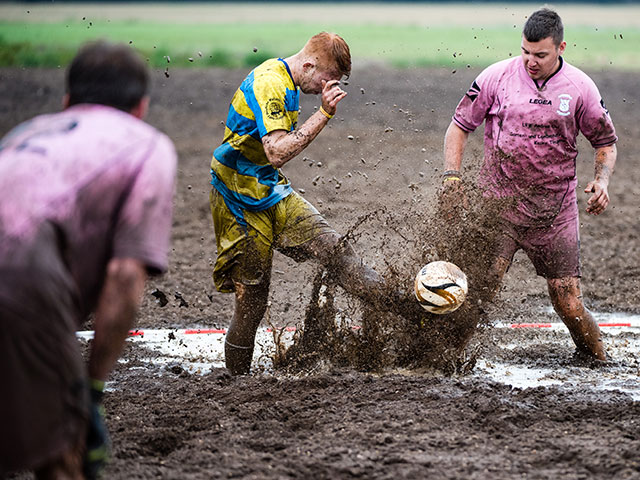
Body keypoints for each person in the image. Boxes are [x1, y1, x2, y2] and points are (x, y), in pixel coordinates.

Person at [0, 41, 177, 478]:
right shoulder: (146, 145)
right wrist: (91, 391)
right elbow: (123, 276)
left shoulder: (25, 132)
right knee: (65, 453)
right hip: (20, 282)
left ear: (66, 101)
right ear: (140, 106)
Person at [210, 32, 422, 375]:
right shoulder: (270, 84)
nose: (331, 87)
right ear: (308, 65)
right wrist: (324, 113)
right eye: (329, 79)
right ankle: (237, 383)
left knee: (336, 250)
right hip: (237, 198)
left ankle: (413, 311)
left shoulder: (291, 80)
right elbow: (277, 152)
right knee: (251, 301)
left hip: (270, 190)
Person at [440, 8, 617, 361]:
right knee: (479, 289)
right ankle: (442, 359)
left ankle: (597, 360)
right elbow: (459, 126)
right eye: (525, 52)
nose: (530, 61)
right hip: (498, 207)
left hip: (555, 212)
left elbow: (605, 143)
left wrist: (601, 181)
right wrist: (452, 179)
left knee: (567, 301)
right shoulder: (496, 77)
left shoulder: (580, 88)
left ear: (561, 48)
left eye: (540, 54)